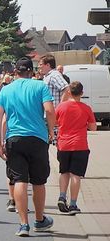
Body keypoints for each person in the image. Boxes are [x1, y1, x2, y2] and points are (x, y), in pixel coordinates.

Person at [0, 57, 55, 237]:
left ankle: (23, 224)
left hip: (14, 139)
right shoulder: (40, 86)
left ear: (15, 71)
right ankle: (40, 219)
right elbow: (50, 111)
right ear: (31, 71)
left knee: (20, 180)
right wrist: (51, 132)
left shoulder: (6, 89)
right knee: (38, 181)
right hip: (37, 138)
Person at [55, 81, 97, 215]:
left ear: (69, 92)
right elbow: (93, 127)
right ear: (82, 93)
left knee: (64, 172)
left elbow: (54, 122)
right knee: (76, 175)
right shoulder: (86, 108)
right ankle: (73, 204)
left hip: (63, 144)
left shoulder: (61, 107)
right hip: (80, 145)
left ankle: (62, 196)